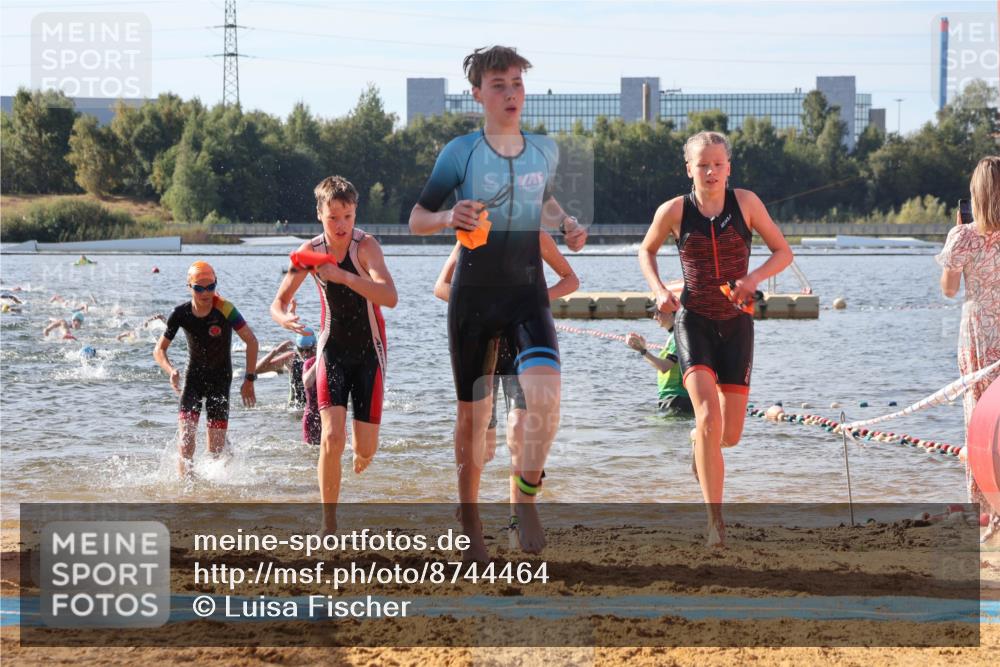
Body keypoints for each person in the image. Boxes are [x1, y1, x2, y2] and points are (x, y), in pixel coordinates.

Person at [409, 45, 587, 561]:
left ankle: (524, 496)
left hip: (528, 296)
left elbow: (544, 201)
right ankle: (470, 522)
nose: (511, 94)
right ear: (478, 95)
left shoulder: (541, 151)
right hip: (474, 301)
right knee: (472, 420)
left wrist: (566, 225)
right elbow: (417, 217)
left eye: (517, 83)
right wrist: (448, 218)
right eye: (499, 85)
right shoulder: (459, 153)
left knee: (546, 398)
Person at [638, 130, 792, 547]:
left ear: (728, 167)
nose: (710, 171)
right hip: (694, 321)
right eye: (702, 164)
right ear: (688, 168)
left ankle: (698, 443)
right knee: (707, 416)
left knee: (729, 435)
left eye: (718, 164)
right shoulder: (673, 211)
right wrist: (658, 290)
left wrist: (753, 279)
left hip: (737, 323)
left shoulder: (746, 204)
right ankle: (714, 525)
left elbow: (783, 252)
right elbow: (646, 251)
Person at [271, 175, 397, 535]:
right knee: (331, 437)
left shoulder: (366, 247)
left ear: (356, 213)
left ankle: (363, 451)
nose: (341, 225)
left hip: (370, 353)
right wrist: (286, 319)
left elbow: (389, 297)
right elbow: (277, 303)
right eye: (333, 217)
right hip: (332, 351)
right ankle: (329, 523)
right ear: (320, 215)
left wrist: (343, 277)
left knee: (365, 448)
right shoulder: (309, 252)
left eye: (348, 216)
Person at [434, 233, 579, 539]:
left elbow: (570, 279)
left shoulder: (534, 235)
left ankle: (519, 517)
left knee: (519, 428)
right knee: (484, 447)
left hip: (519, 345)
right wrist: (481, 307)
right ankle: (470, 505)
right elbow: (440, 287)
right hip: (482, 340)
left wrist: (532, 302)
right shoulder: (470, 238)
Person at [937, 155, 1000, 540]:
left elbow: (948, 289)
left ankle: (990, 514)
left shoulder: (964, 236)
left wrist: (955, 236)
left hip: (978, 334)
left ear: (974, 195)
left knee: (980, 425)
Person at [153, 261, 259, 477]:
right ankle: (187, 494)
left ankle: (221, 473)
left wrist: (249, 379)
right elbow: (159, 350)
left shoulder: (226, 309)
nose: (206, 293)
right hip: (193, 380)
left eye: (210, 287)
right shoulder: (180, 314)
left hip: (220, 381)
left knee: (215, 451)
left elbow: (252, 341)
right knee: (185, 443)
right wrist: (171, 370)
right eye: (199, 288)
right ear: (189, 287)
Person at [625, 308, 693, 417]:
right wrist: (644, 349)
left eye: (657, 313)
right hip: (674, 398)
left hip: (676, 398)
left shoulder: (677, 336)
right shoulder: (674, 335)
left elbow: (664, 366)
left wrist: (643, 351)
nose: (654, 317)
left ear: (671, 313)